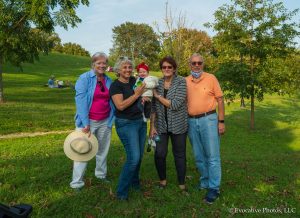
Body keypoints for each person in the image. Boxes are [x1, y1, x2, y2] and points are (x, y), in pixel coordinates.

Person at [70, 52, 115, 191]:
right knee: (82, 150)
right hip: (88, 122)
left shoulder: (108, 80)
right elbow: (81, 101)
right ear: (93, 64)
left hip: (105, 120)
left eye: (104, 63)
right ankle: (77, 183)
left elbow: (112, 100)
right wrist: (85, 123)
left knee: (102, 150)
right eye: (99, 63)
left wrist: (111, 120)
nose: (102, 65)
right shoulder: (84, 79)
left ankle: (101, 175)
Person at [186, 53, 225, 204]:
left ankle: (214, 188)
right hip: (191, 121)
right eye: (194, 63)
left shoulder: (211, 78)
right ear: (189, 64)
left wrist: (221, 121)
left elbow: (220, 100)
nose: (196, 65)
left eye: (199, 63)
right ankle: (205, 182)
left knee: (213, 156)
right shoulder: (185, 81)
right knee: (198, 156)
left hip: (209, 119)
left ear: (203, 64)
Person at [109, 57, 147, 200]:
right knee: (133, 158)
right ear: (118, 70)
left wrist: (143, 97)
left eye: (130, 67)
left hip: (140, 122)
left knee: (139, 156)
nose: (128, 70)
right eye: (124, 67)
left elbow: (143, 90)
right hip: (126, 123)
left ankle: (135, 183)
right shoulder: (115, 86)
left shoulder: (133, 81)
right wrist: (136, 94)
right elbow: (120, 106)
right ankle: (121, 192)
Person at [150, 56, 188, 192]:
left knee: (179, 154)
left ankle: (182, 183)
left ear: (174, 69)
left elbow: (175, 104)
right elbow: (153, 107)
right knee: (159, 153)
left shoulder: (181, 82)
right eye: (164, 67)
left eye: (169, 67)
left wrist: (158, 96)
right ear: (161, 69)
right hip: (161, 126)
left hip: (179, 125)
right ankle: (162, 181)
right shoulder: (157, 83)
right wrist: (152, 126)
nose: (166, 69)